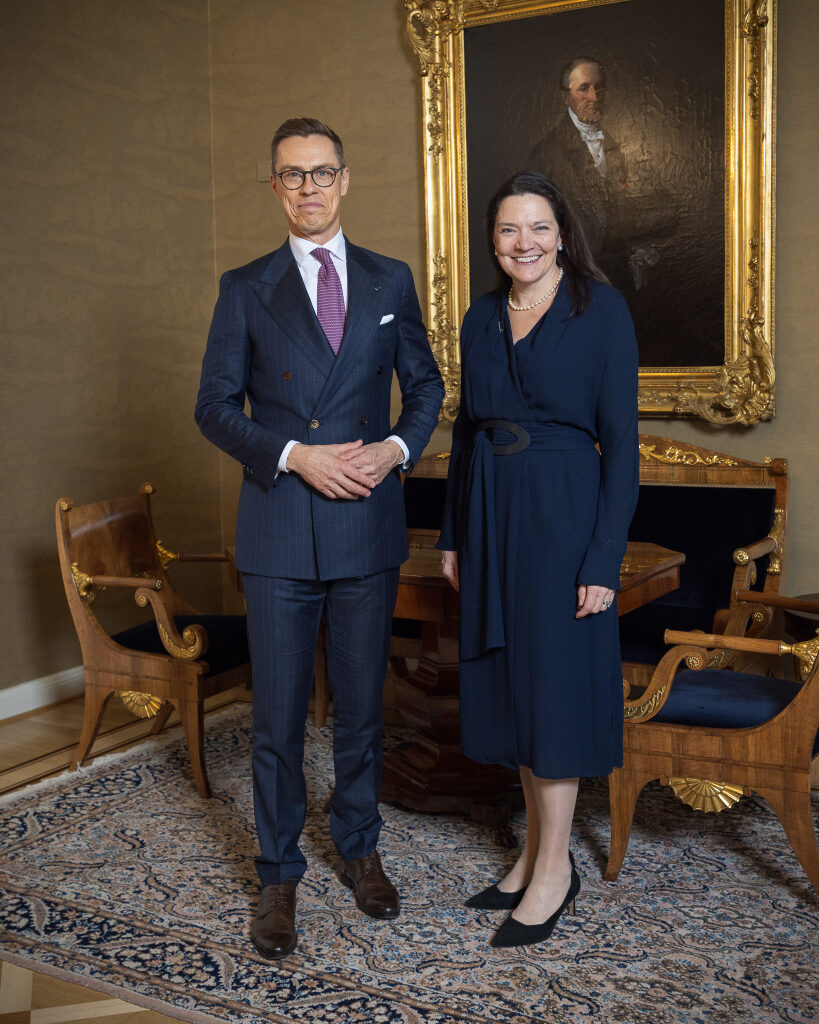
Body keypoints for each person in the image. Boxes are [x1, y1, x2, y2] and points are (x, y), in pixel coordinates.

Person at [195, 117, 444, 959]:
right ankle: (276, 874)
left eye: (321, 172)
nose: (307, 187)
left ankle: (361, 848)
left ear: (345, 180)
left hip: (365, 526)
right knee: (274, 721)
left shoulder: (387, 279)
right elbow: (214, 408)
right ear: (274, 187)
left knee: (361, 713)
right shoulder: (244, 286)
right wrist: (296, 455)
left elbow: (426, 385)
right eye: (291, 175)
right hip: (277, 531)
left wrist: (396, 447)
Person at [437, 171, 638, 948]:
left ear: (562, 234)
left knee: (553, 686)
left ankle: (555, 869)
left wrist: (602, 559)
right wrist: (453, 534)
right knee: (517, 684)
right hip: (489, 514)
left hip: (563, 513)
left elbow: (619, 445)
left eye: (538, 228)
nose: (524, 243)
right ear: (493, 242)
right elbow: (463, 432)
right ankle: (531, 852)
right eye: (509, 231)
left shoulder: (600, 309)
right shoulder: (480, 315)